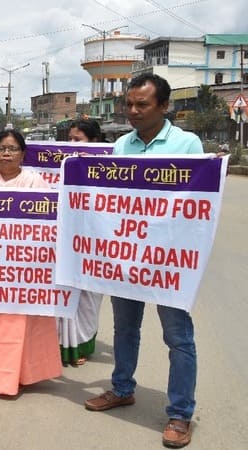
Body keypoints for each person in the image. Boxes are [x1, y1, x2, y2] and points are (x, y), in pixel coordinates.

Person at [84, 73, 203, 449]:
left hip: (168, 260)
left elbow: (197, 205)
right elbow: (111, 199)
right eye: (129, 105)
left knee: (177, 336)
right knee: (125, 329)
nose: (132, 111)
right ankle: (122, 388)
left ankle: (180, 413)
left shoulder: (187, 144)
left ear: (164, 107)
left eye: (142, 105)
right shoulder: (121, 145)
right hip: (127, 256)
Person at [0, 129, 63, 396]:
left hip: (24, 272)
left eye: (12, 149)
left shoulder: (37, 183)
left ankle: (22, 375)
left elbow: (51, 223)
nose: (6, 154)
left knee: (21, 327)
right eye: (1, 149)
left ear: (22, 154)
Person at [57, 119, 105, 367]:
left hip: (94, 242)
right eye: (70, 139)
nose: (72, 145)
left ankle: (82, 344)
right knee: (63, 290)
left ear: (95, 142)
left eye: (78, 140)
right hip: (64, 239)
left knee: (87, 296)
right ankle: (59, 345)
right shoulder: (63, 164)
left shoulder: (111, 165)